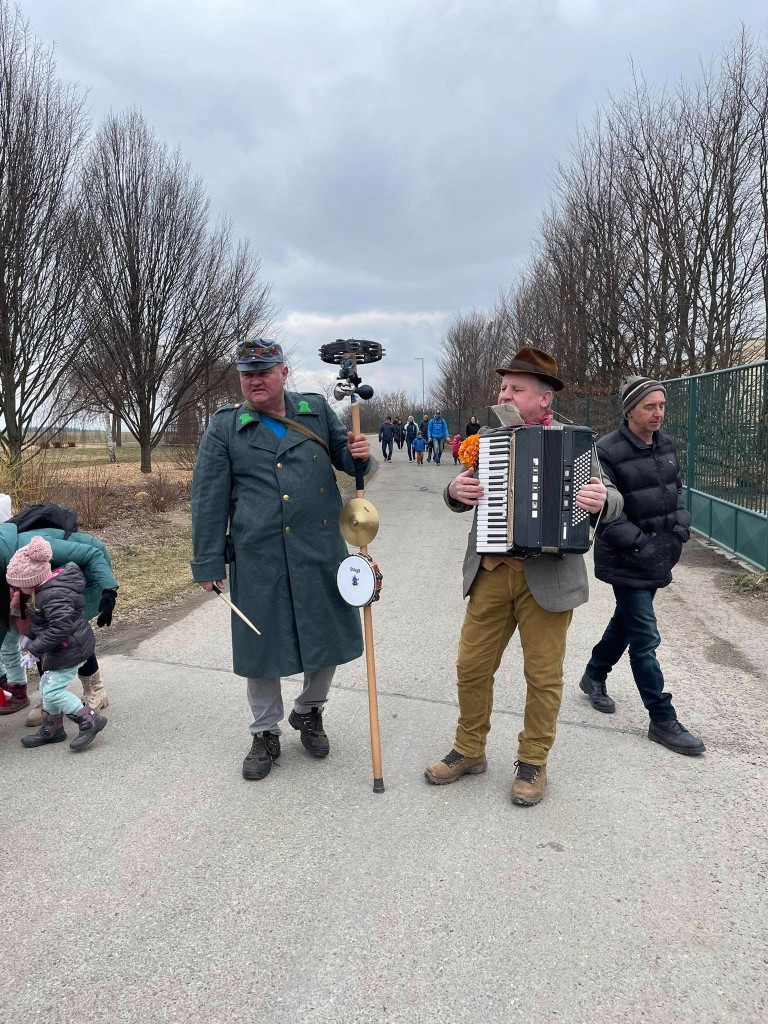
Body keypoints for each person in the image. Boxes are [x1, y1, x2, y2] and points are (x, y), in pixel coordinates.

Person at [424, 347, 623, 806]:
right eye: (503, 387)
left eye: (515, 388)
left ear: (544, 399)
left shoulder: (575, 442)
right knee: (471, 667)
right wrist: (454, 490)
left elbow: (613, 498)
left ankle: (533, 761)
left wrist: (601, 500)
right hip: (491, 573)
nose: (504, 395)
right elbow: (461, 495)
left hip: (549, 579)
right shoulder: (488, 440)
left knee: (543, 676)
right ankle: (469, 749)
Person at [190, 338, 371, 781]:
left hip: (320, 550)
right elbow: (208, 498)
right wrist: (207, 562)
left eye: (264, 372)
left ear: (283, 373)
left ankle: (309, 710)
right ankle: (264, 731)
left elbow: (348, 463)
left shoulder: (314, 409)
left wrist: (359, 455)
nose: (255, 381)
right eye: (247, 374)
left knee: (326, 637)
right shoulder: (226, 427)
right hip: (259, 556)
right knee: (261, 645)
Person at [577, 376, 705, 755]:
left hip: (660, 553)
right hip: (627, 557)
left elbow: (676, 490)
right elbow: (604, 512)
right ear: (630, 410)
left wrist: (680, 528)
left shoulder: (665, 443)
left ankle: (594, 674)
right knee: (645, 638)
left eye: (661, 405)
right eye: (650, 406)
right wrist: (641, 546)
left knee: (627, 623)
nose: (658, 413)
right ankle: (662, 719)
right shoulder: (605, 450)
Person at [0, 515, 117, 721]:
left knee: (73, 632)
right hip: (37, 584)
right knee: (41, 631)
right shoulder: (9, 564)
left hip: (85, 572)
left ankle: (95, 690)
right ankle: (49, 696)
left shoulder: (30, 545)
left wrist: (109, 590)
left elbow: (91, 554)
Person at [8, 536, 107, 751]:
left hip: (70, 650)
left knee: (53, 691)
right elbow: (42, 621)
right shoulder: (42, 592)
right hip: (62, 648)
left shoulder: (52, 595)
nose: (16, 590)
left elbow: (60, 628)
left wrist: (34, 650)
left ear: (31, 581)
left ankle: (89, 720)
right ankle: (53, 729)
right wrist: (29, 636)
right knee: (47, 687)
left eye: (18, 586)